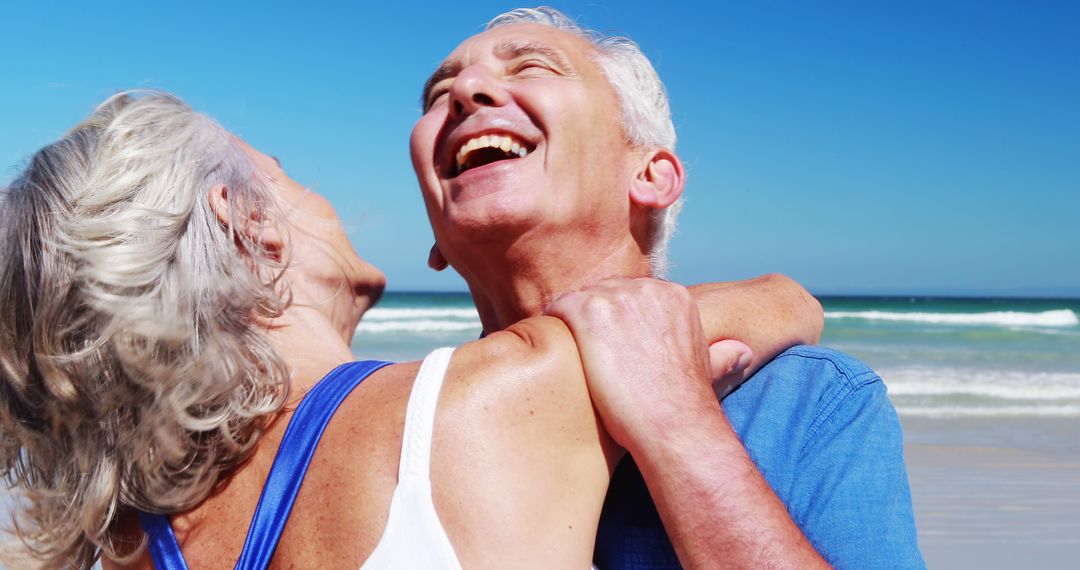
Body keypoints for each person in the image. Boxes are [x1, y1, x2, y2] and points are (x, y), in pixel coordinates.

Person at [0, 92, 821, 569]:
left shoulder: (133, 541)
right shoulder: (478, 407)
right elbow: (786, 304)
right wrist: (775, 291)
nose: (317, 196)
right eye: (285, 177)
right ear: (251, 226)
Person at [410, 7, 925, 568]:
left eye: (532, 67)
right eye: (439, 93)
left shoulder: (809, 400)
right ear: (435, 237)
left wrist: (677, 424)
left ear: (651, 176)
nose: (465, 89)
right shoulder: (397, 422)